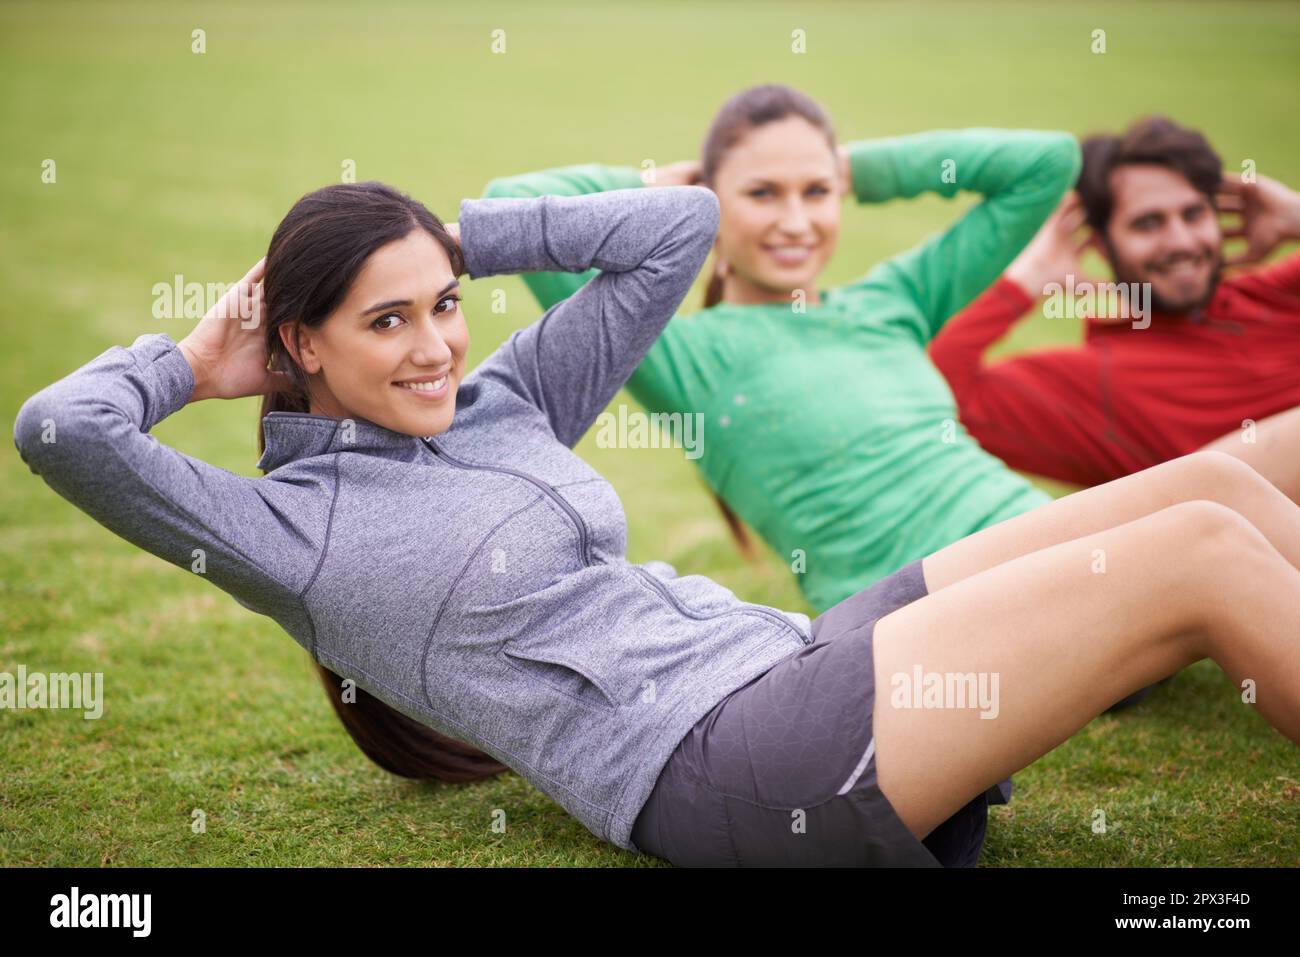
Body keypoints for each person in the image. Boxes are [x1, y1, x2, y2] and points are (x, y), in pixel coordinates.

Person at [17, 181, 1298, 870]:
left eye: (444, 303)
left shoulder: (505, 399)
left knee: (1217, 488)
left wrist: (435, 237)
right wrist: (194, 360)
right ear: (299, 340)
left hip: (795, 656)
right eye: (385, 319)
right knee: (1195, 560)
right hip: (722, 761)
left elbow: (674, 229)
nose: (436, 346)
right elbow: (62, 434)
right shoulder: (282, 533)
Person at [479, 85, 1081, 619]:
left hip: (1046, 534)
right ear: (711, 203)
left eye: (816, 192)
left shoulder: (895, 301)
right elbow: (517, 201)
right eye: (763, 193)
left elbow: (1047, 162)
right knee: (1168, 549)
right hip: (945, 606)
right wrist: (668, 187)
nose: (795, 221)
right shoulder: (678, 353)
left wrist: (854, 169)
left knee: (1174, 523)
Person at [929, 115, 1300, 499]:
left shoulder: (1277, 295)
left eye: (1193, 214)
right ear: (1102, 245)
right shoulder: (1094, 382)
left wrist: (1296, 216)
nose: (1181, 242)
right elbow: (930, 399)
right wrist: (1028, 278)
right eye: (1147, 224)